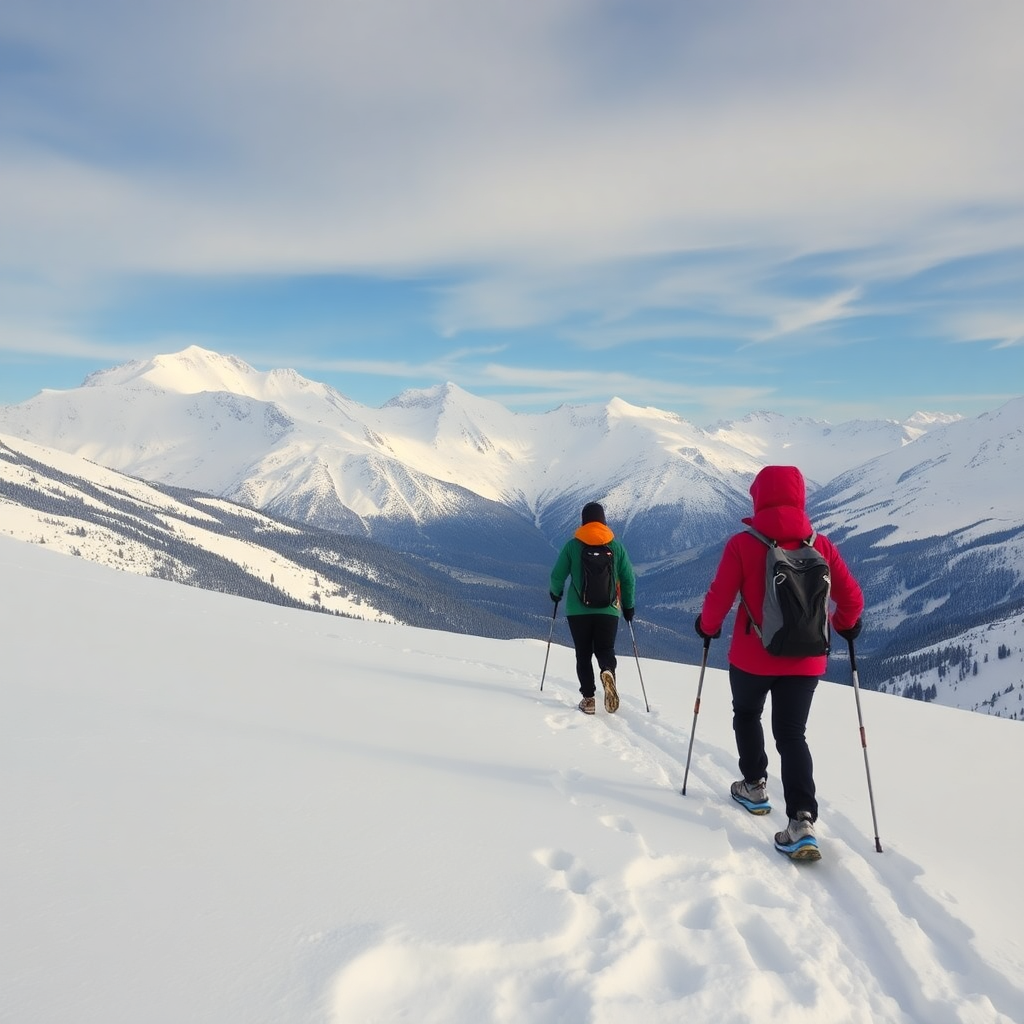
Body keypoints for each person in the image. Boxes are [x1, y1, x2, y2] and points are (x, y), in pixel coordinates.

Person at [695, 465, 863, 860]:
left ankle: (753, 786)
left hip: (753, 657)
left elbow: (719, 598)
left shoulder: (742, 543)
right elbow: (852, 600)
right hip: (806, 661)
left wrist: (706, 627)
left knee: (747, 714)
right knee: (792, 736)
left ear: (758, 496)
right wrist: (843, 625)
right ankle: (801, 821)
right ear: (800, 496)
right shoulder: (821, 545)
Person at [550, 502, 637, 715]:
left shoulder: (573, 546)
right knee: (605, 649)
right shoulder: (616, 547)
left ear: (583, 521)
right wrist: (628, 606)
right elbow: (628, 579)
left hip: (577, 611)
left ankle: (588, 699)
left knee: (583, 654)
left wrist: (556, 593)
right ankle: (607, 670)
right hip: (608, 610)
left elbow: (557, 575)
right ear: (603, 521)